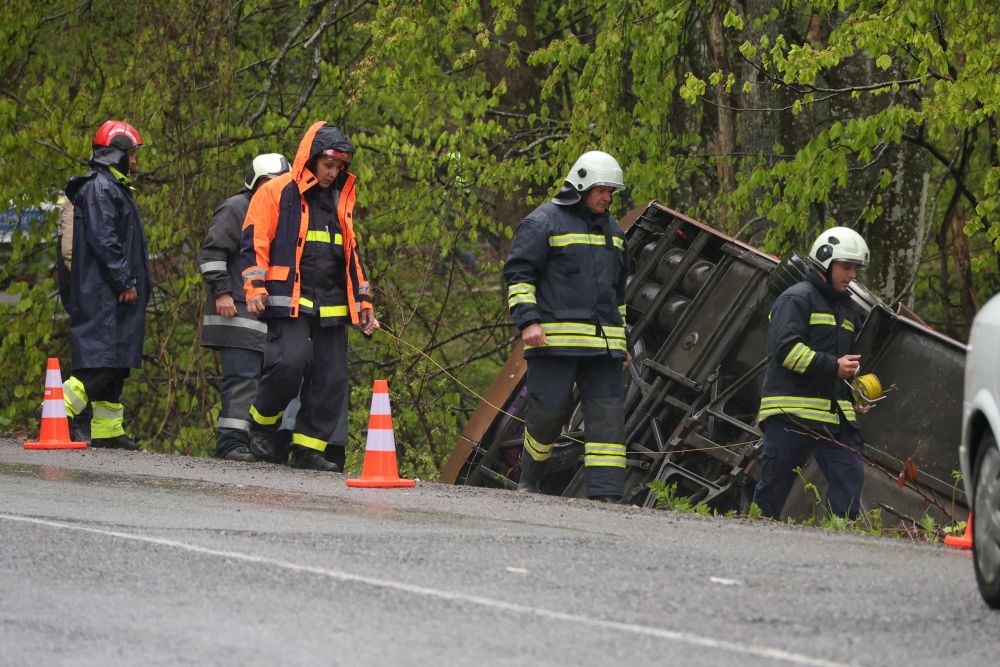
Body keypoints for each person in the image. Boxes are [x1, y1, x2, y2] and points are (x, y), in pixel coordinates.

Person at [240, 121, 378, 471]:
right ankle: (263, 424)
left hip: (331, 303)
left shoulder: (339, 198)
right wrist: (254, 288)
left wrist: (364, 304)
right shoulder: (276, 192)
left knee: (331, 379)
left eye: (339, 167)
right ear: (313, 158)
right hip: (288, 299)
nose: (333, 173)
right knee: (290, 363)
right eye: (328, 165)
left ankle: (307, 448)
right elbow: (254, 240)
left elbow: (351, 255)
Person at [502, 150, 631, 502]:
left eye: (611, 192)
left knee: (607, 422)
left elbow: (618, 295)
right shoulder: (543, 222)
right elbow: (518, 276)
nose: (607, 197)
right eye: (602, 189)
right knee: (548, 414)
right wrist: (527, 322)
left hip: (603, 349)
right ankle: (530, 479)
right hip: (552, 344)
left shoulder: (615, 232)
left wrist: (622, 344)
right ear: (582, 183)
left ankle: (606, 497)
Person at [752, 226, 872, 519]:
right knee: (774, 486)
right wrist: (834, 367)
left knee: (850, 475)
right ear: (825, 262)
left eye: (855, 268)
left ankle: (837, 539)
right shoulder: (796, 299)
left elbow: (844, 364)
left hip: (832, 418)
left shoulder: (848, 310)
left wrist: (854, 392)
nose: (852, 275)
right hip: (790, 413)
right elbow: (786, 351)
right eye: (846, 267)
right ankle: (756, 536)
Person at [61, 120, 149, 450]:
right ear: (116, 154)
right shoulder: (100, 187)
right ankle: (58, 411)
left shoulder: (112, 187)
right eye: (132, 154)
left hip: (113, 295)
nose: (135, 162)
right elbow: (104, 238)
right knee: (101, 362)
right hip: (106, 294)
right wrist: (124, 280)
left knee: (117, 363)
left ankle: (108, 430)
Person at [198, 153, 290, 461]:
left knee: (261, 380)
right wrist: (222, 292)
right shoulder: (238, 207)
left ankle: (251, 442)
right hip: (234, 310)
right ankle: (231, 443)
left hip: (258, 314)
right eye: (271, 183)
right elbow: (212, 253)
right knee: (242, 378)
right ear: (257, 182)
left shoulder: (279, 213)